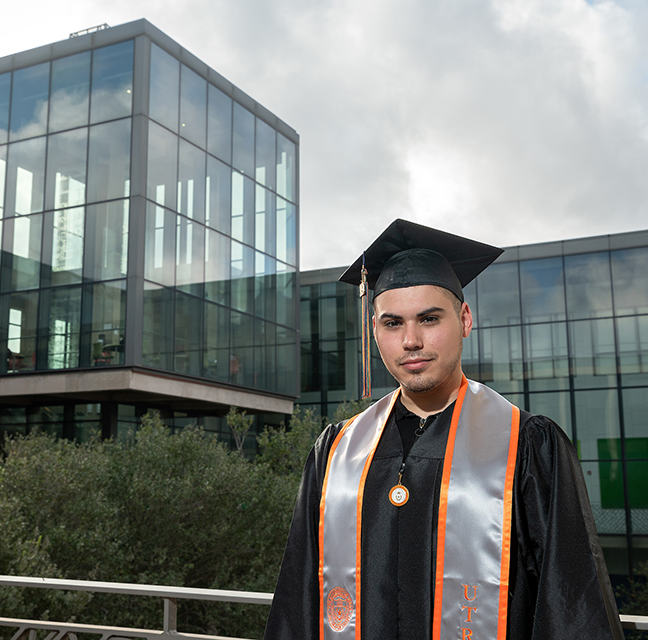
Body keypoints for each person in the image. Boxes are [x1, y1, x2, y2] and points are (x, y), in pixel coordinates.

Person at [263, 220, 623, 639]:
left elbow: (570, 603)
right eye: (392, 323)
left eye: (429, 318)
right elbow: (298, 598)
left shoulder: (526, 447)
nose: (411, 340)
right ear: (374, 330)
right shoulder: (337, 450)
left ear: (465, 319)